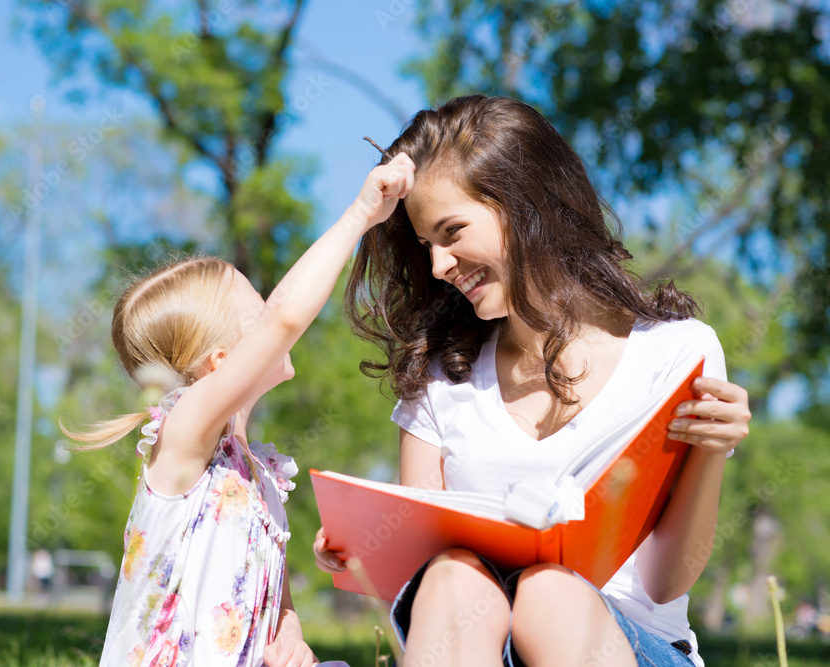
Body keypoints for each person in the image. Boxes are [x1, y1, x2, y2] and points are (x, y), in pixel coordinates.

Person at [313, 95, 751, 667]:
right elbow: (426, 592)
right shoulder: (440, 379)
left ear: (524, 204)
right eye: (426, 246)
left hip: (635, 646)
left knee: (548, 594)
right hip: (482, 646)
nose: (439, 265)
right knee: (450, 576)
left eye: (452, 231)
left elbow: (665, 584)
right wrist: (372, 548)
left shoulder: (676, 351)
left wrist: (710, 453)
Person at [61, 151, 416, 667]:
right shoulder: (185, 435)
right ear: (223, 363)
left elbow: (279, 605)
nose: (275, 308)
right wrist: (360, 214)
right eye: (259, 306)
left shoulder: (260, 476)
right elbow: (286, 322)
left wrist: (291, 637)